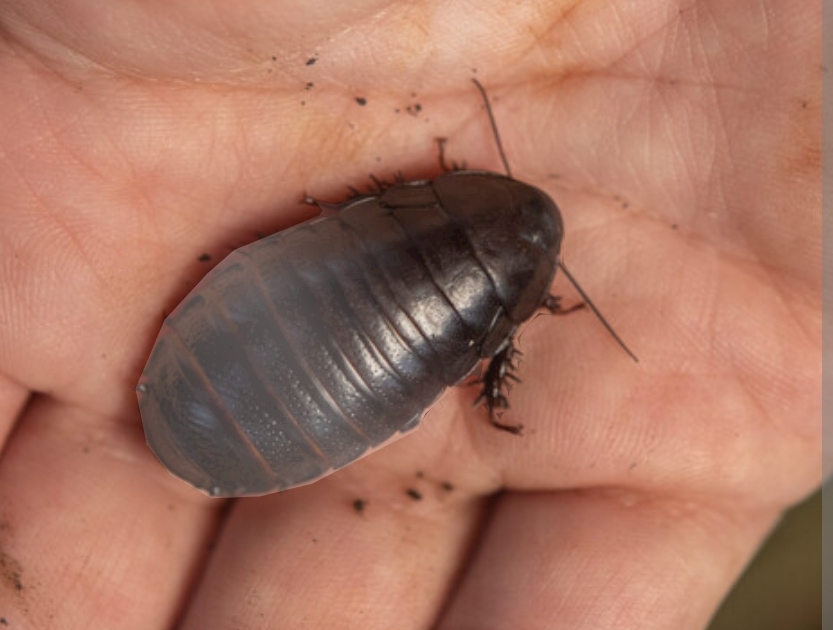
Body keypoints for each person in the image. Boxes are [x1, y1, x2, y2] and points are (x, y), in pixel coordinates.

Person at [0, 1, 821, 627]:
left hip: (280, 336)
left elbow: (366, 207)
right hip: (289, 381)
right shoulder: (498, 323)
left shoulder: (411, 204)